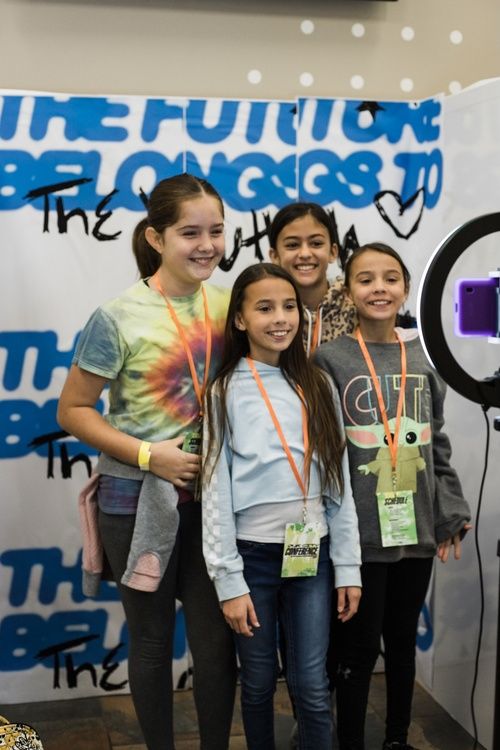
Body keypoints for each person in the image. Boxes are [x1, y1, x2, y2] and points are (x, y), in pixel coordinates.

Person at [57, 173, 237, 750]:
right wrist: (148, 455)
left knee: (216, 644)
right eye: (190, 233)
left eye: (216, 231)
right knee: (153, 643)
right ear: (156, 238)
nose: (207, 245)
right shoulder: (117, 316)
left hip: (213, 501)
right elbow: (73, 410)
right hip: (133, 500)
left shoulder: (230, 304)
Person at [313, 243, 471, 750]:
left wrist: (451, 510)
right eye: (366, 279)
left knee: (402, 645)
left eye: (390, 278)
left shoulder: (424, 357)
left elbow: (436, 443)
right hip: (357, 536)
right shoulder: (329, 359)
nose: (379, 288)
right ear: (348, 292)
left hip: (416, 530)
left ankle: (397, 739)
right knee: (357, 651)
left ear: (405, 288)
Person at [202, 262, 362, 750]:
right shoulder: (224, 390)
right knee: (256, 683)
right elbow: (215, 489)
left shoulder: (318, 384)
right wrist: (229, 580)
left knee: (312, 683)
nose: (280, 318)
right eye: (265, 308)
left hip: (312, 556)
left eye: (289, 306)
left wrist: (348, 567)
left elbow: (338, 483)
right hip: (252, 559)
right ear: (240, 319)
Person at [268, 202, 357, 356]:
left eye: (316, 243)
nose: (305, 254)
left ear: (333, 252)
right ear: (275, 256)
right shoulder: (264, 309)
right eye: (292, 245)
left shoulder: (356, 305)